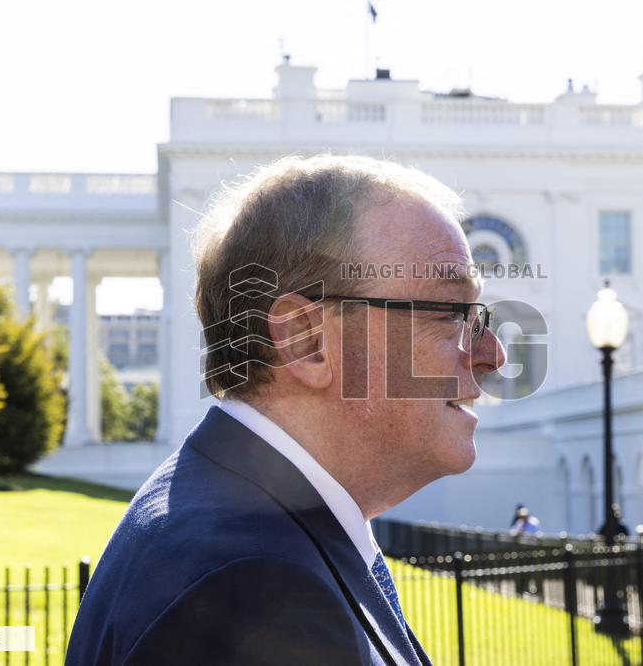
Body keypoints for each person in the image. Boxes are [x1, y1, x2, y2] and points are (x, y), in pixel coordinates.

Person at [65, 155, 506, 665]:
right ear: (306, 340)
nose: (492, 354)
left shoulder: (250, 529)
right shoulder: (254, 586)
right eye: (450, 312)